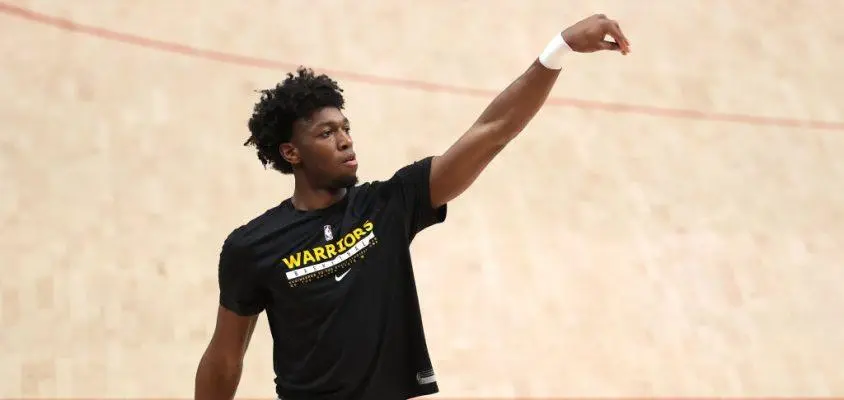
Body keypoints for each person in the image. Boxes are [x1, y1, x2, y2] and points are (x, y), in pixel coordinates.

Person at [193, 13, 630, 400]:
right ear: (291, 153)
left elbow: (494, 130)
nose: (345, 139)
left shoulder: (389, 204)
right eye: (326, 134)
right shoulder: (252, 247)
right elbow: (225, 361)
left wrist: (559, 48)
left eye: (345, 128)